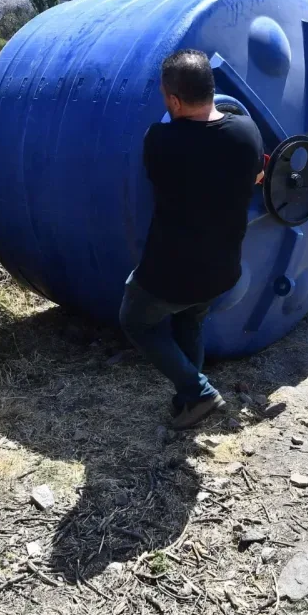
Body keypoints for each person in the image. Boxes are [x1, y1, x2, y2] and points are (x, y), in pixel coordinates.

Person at [119, 49, 265, 430]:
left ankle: (197, 390)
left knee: (135, 320)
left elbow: (157, 175)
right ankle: (187, 402)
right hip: (221, 268)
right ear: (212, 89)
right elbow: (253, 176)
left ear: (175, 100)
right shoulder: (248, 132)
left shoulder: (160, 141)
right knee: (190, 322)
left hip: (170, 271)